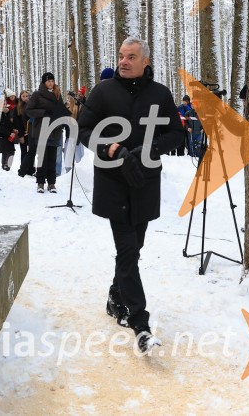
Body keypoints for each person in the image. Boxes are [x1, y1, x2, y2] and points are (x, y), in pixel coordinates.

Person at [77, 37, 183, 354]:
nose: (123, 61)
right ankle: (141, 325)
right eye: (121, 56)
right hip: (113, 181)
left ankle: (115, 296)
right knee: (127, 250)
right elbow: (83, 128)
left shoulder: (160, 94)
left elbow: (177, 133)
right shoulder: (103, 91)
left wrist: (149, 148)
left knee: (133, 249)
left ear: (145, 61)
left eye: (131, 57)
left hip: (145, 182)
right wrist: (109, 147)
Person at [25, 72, 70, 193]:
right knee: (42, 158)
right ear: (44, 82)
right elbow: (28, 110)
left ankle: (52, 183)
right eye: (48, 81)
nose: (51, 83)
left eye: (52, 81)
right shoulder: (37, 94)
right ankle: (40, 183)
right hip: (42, 129)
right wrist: (43, 112)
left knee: (53, 158)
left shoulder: (57, 94)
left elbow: (60, 109)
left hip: (55, 130)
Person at [0, 89, 19, 171]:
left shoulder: (7, 112)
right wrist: (9, 133)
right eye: (2, 103)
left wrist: (13, 129)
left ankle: (6, 166)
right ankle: (5, 166)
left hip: (8, 135)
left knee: (10, 151)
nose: (4, 104)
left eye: (5, 102)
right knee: (7, 152)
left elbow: (9, 123)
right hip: (2, 136)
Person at [15, 89, 35, 177]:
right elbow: (17, 123)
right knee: (23, 152)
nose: (25, 98)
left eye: (27, 96)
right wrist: (20, 135)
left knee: (31, 152)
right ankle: (23, 169)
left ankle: (30, 169)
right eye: (23, 96)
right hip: (23, 133)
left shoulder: (31, 106)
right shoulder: (18, 108)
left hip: (31, 133)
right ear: (20, 97)